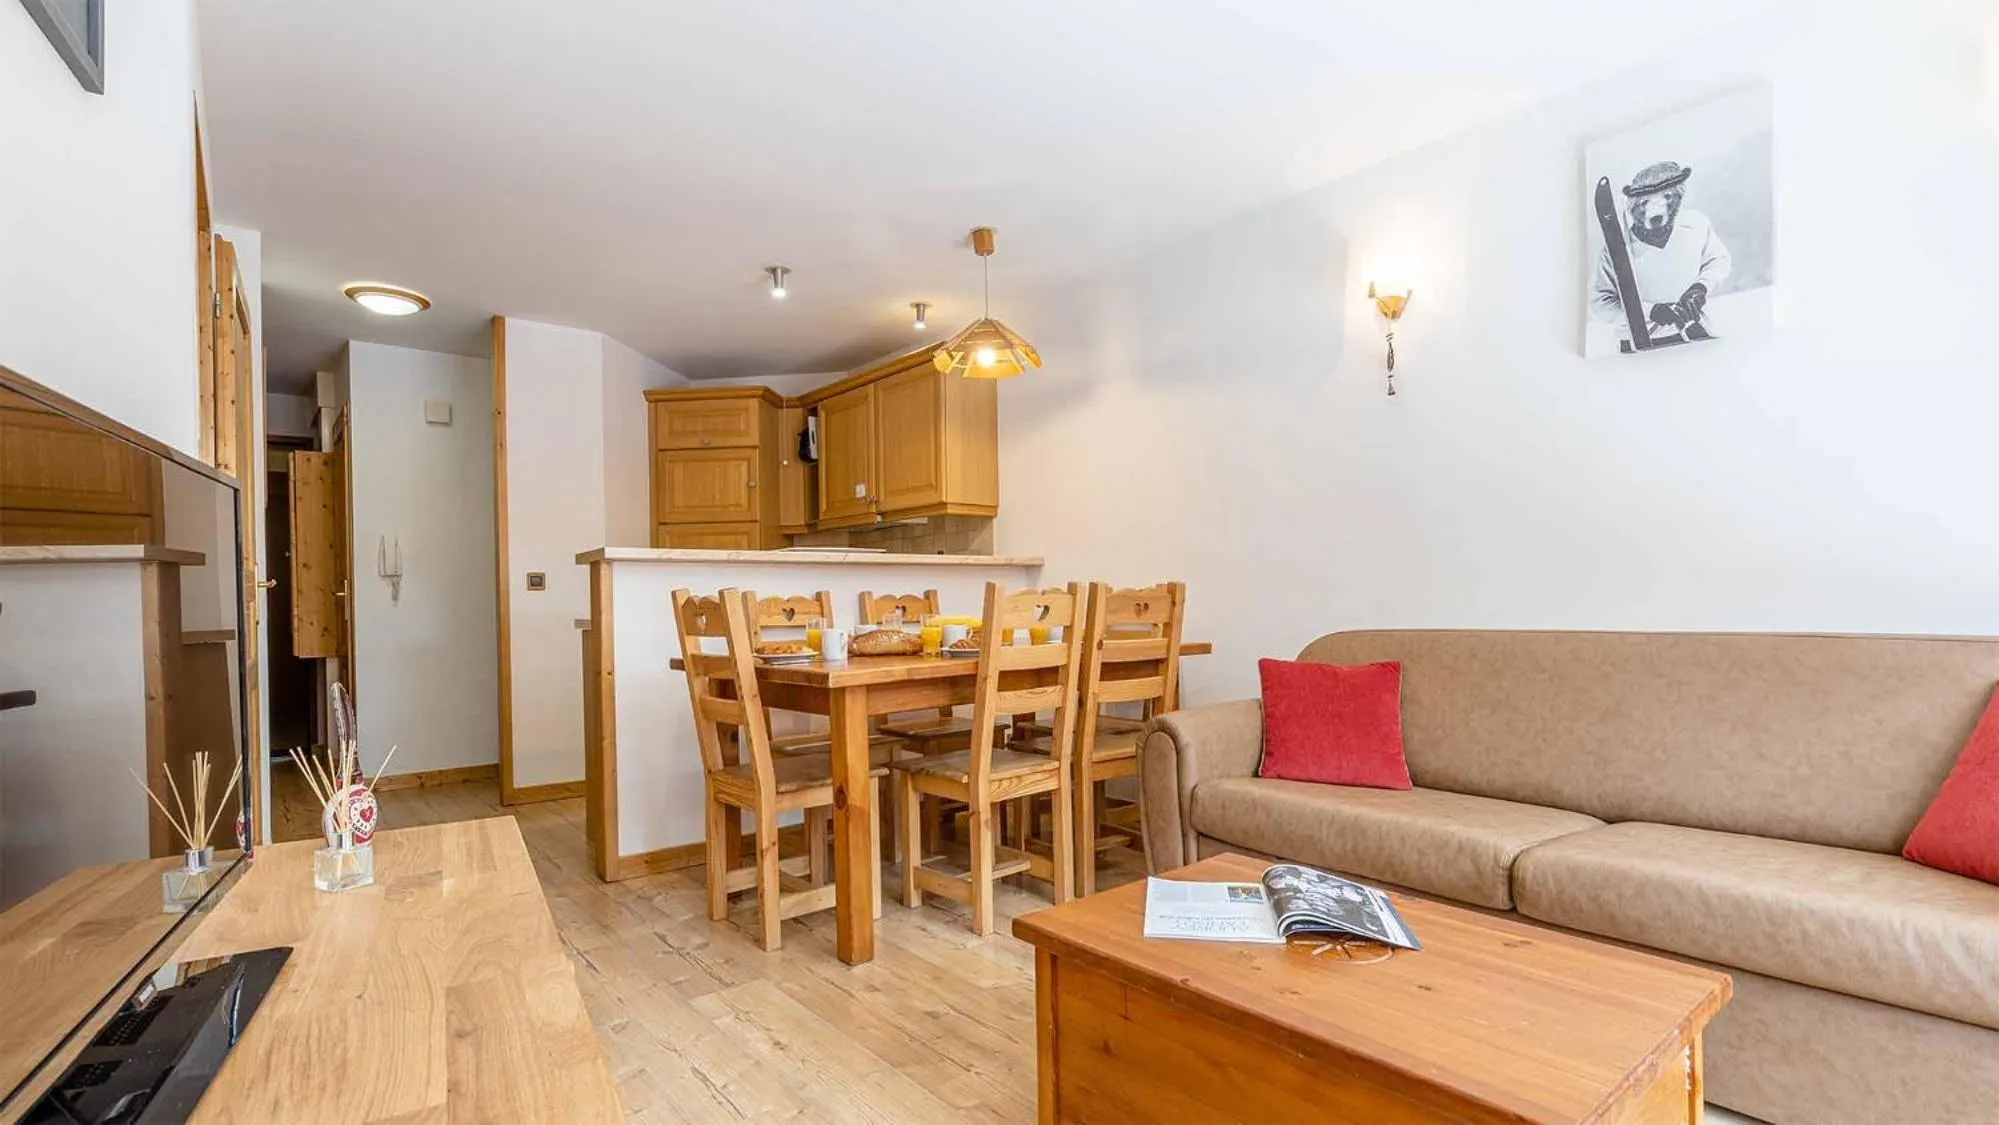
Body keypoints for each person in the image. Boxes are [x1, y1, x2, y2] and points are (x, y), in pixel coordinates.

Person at [1591, 160, 1732, 349]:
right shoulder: (1616, 250)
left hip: (1694, 334)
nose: (1655, 211)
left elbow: (1718, 260)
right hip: (1639, 343)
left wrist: (1700, 287)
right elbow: (1601, 303)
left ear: (1678, 198)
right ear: (1632, 207)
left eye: (1666, 197)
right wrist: (1650, 311)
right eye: (1645, 203)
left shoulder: (1696, 224)